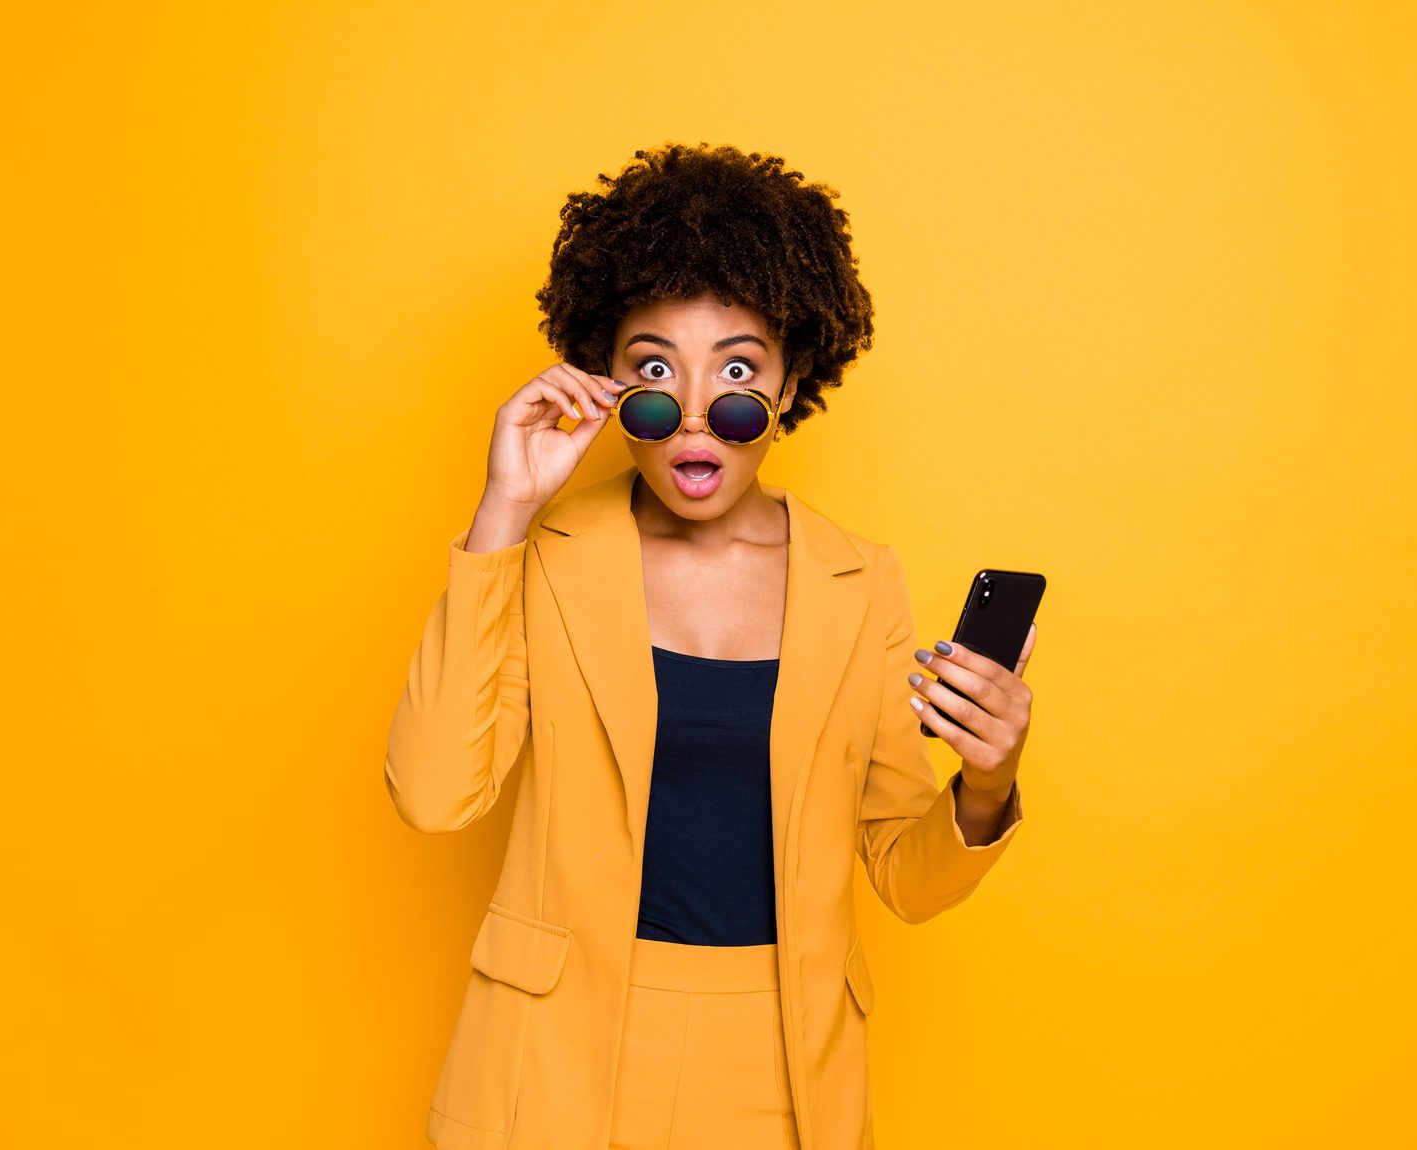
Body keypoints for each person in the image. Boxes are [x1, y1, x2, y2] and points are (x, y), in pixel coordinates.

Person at [386, 141, 1036, 1150]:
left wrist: (986, 786)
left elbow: (906, 876)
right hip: (553, 1058)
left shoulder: (860, 581)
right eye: (654, 371)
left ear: (790, 383)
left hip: (781, 1065)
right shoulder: (546, 554)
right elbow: (433, 794)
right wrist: (503, 510)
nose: (694, 414)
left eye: (736, 371)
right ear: (604, 382)